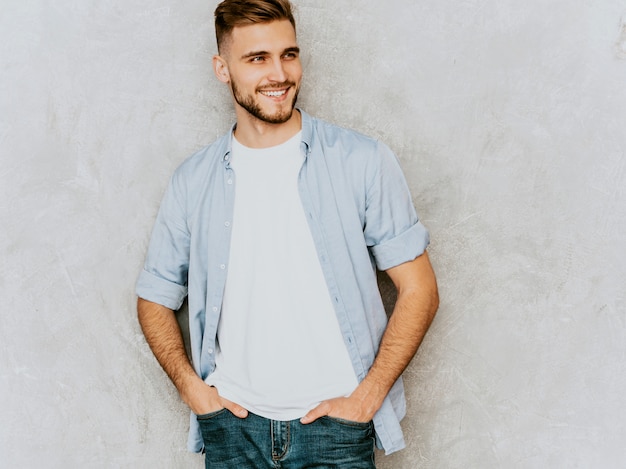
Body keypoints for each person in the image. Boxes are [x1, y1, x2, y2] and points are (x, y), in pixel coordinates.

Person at [136, 0, 439, 467]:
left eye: (288, 54)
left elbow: (420, 289)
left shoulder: (362, 161)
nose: (279, 73)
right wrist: (193, 390)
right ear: (222, 68)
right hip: (234, 432)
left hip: (337, 433)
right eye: (257, 59)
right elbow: (154, 297)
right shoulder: (193, 181)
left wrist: (366, 399)